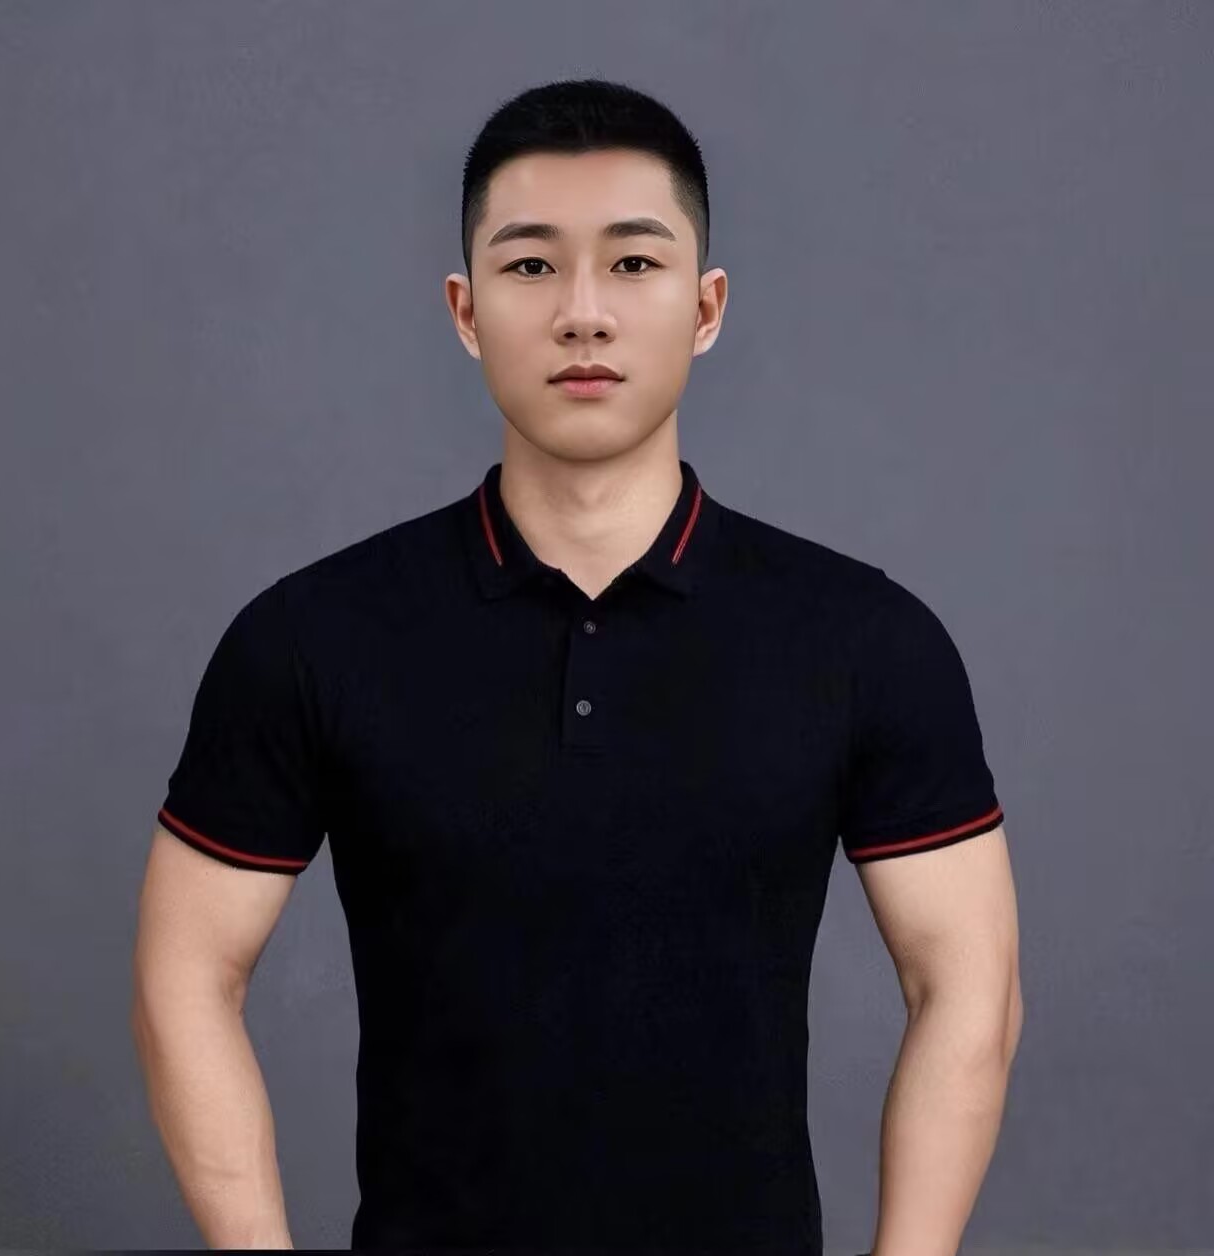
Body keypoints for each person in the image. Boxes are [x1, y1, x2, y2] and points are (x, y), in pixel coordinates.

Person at [132, 77, 1022, 1255]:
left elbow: (967, 984)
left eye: (635, 263)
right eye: (532, 265)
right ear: (466, 309)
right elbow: (186, 971)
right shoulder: (313, 634)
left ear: (706, 306)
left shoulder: (864, 636)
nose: (584, 314)